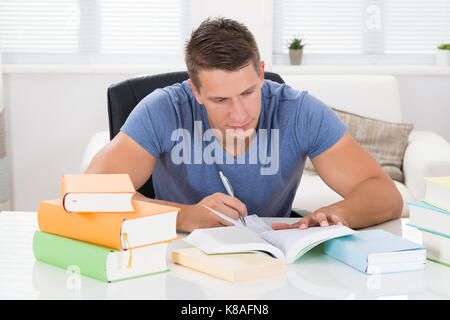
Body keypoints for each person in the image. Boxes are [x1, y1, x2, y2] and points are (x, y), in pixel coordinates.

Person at [85, 17, 403, 233]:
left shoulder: (300, 110)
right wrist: (184, 216)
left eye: (248, 93)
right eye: (221, 100)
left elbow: (385, 194)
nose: (239, 114)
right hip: (179, 252)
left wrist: (339, 213)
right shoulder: (163, 109)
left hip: (271, 260)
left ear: (261, 73)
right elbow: (87, 193)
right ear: (195, 90)